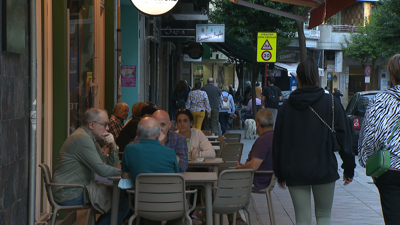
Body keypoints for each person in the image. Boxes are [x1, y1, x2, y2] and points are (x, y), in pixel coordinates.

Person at [273, 57, 355, 225]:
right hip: (324, 168)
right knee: (324, 216)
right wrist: (349, 168)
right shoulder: (332, 103)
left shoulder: (286, 107)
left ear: (297, 77)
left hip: (295, 171)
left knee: (302, 218)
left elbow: (277, 143)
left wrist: (279, 173)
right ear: (317, 78)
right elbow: (345, 138)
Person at [52, 108, 129, 225]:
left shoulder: (88, 138)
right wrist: (126, 172)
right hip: (69, 193)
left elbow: (108, 165)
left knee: (118, 199)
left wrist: (113, 146)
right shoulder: (83, 139)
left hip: (75, 189)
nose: (108, 129)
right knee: (121, 203)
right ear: (92, 124)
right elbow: (103, 171)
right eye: (105, 125)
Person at [358, 54, 400, 225]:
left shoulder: (380, 100)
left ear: (391, 74)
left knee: (393, 218)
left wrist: (369, 164)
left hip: (389, 169)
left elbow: (369, 138)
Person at [121, 117, 181, 225]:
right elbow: (175, 179)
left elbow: (125, 181)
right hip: (171, 203)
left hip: (143, 203)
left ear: (137, 133)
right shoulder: (171, 153)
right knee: (182, 206)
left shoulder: (129, 150)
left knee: (149, 209)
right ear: (159, 134)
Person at [229, 109, 275, 225]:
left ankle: (233, 219)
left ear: (257, 124)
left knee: (220, 182)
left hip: (256, 180)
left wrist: (240, 168)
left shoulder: (263, 140)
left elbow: (254, 166)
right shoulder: (276, 137)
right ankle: (235, 218)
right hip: (268, 178)